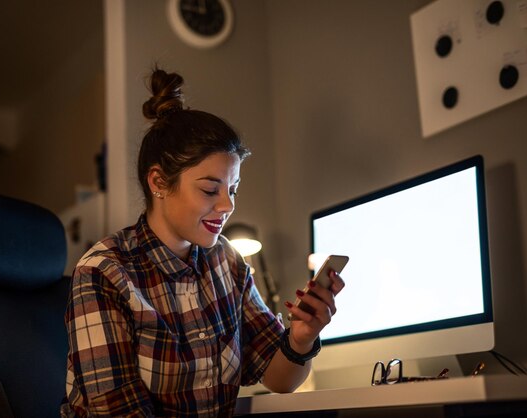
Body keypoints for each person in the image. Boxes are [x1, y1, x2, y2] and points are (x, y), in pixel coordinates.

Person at [61, 68, 345, 417]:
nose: (228, 206)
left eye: (232, 189)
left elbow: (280, 378)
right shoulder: (102, 272)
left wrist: (301, 338)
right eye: (210, 189)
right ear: (159, 182)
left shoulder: (227, 261)